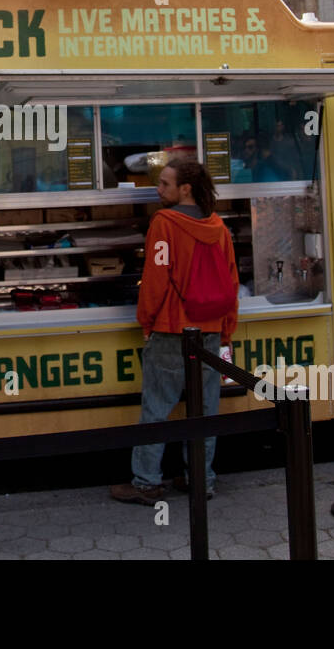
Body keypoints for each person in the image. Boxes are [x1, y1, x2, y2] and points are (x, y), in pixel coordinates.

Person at [110, 158, 238, 504]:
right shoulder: (219, 228)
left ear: (185, 189)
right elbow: (231, 280)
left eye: (165, 183)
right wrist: (225, 330)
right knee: (204, 409)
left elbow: (155, 277)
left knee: (156, 407)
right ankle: (201, 480)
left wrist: (147, 322)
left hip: (170, 328)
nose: (159, 188)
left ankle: (146, 483)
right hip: (209, 329)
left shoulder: (163, 224)